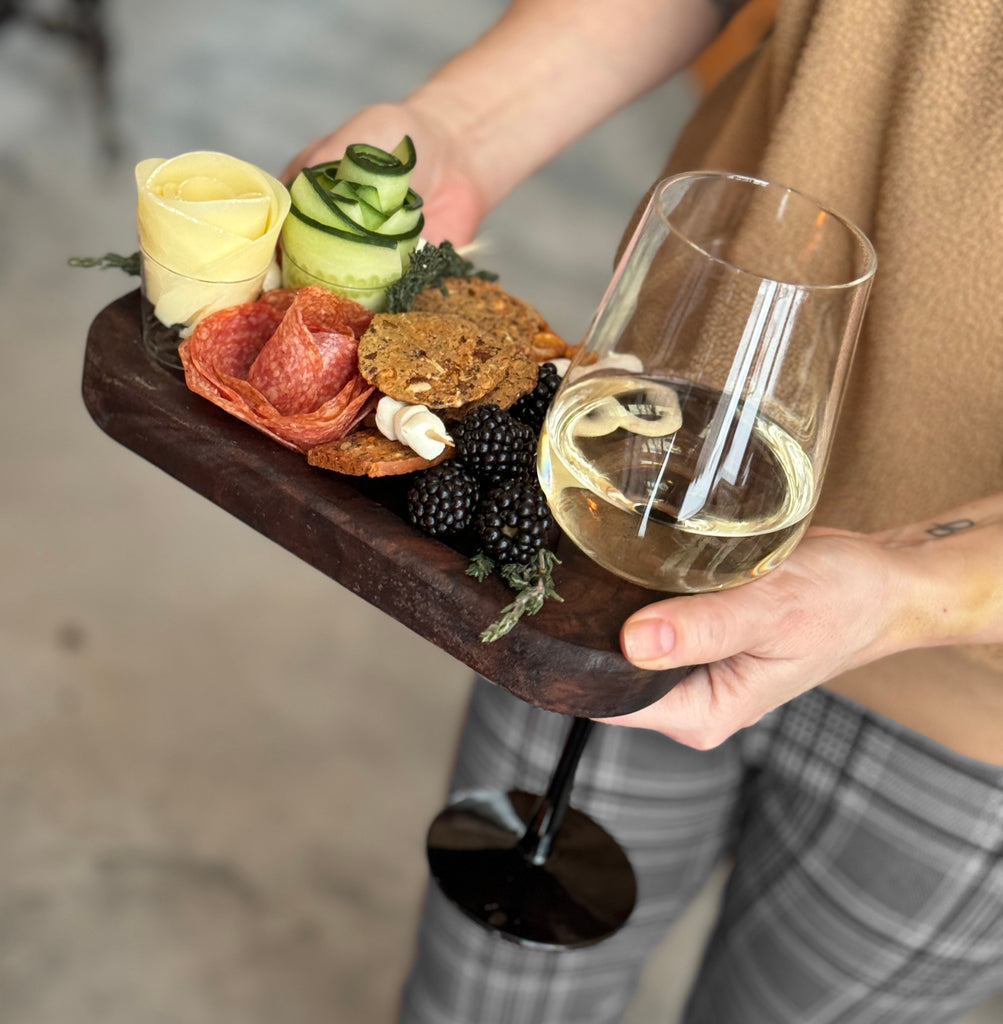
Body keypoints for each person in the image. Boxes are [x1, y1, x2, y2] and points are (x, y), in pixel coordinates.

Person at [285, 1, 1003, 1021]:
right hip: (631, 509)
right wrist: (457, 133)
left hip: (976, 726)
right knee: (487, 1001)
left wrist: (911, 583)